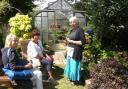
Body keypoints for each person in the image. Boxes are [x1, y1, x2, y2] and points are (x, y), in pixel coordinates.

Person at [64, 16, 86, 85]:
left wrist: (71, 41)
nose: (71, 24)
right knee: (70, 65)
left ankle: (75, 80)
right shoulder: (72, 30)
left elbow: (83, 42)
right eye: (70, 22)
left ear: (76, 22)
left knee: (74, 65)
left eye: (72, 22)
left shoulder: (80, 30)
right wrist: (67, 41)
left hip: (76, 51)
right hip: (70, 50)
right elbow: (70, 40)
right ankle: (71, 77)